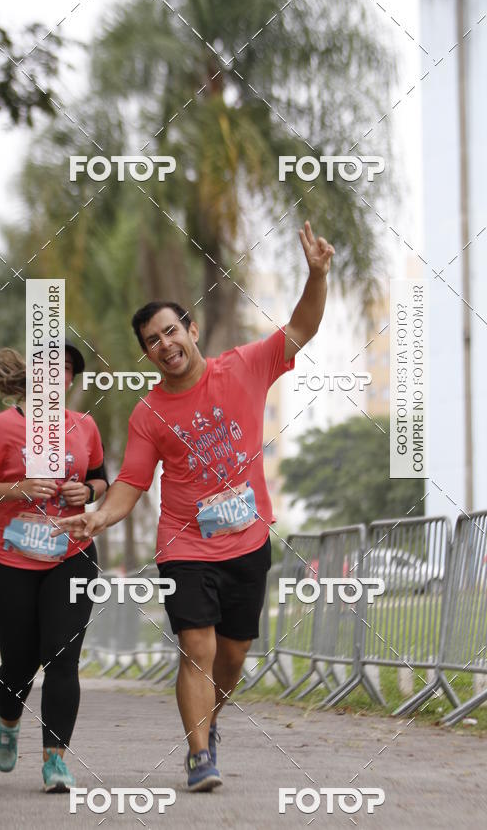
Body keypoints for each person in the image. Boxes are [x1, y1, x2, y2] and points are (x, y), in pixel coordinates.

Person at [56, 221, 334, 791]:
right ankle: (199, 754)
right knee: (197, 646)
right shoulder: (148, 414)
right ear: (148, 354)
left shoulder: (247, 366)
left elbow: (303, 327)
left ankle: (210, 724)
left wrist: (317, 274)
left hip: (249, 539)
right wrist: (99, 515)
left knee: (232, 657)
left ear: (192, 329)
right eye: (152, 342)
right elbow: (131, 484)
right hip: (185, 542)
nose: (164, 345)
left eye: (169, 331)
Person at [0, 343, 109, 792]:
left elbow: (101, 476)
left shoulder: (84, 426)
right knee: (20, 662)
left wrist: (90, 491)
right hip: (8, 559)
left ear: (70, 381)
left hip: (70, 554)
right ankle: (8, 721)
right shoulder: (1, 427)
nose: (57, 375)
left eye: (66, 370)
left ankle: (55, 762)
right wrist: (17, 487)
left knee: (62, 658)